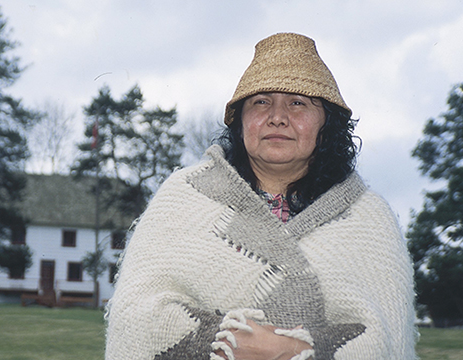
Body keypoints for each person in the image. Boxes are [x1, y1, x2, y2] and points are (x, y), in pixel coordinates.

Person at [105, 33, 417, 360]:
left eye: (298, 103)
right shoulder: (184, 196)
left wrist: (300, 349)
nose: (277, 116)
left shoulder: (368, 218)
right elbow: (135, 315)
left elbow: (385, 339)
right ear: (240, 121)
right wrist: (219, 340)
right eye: (261, 101)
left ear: (328, 124)